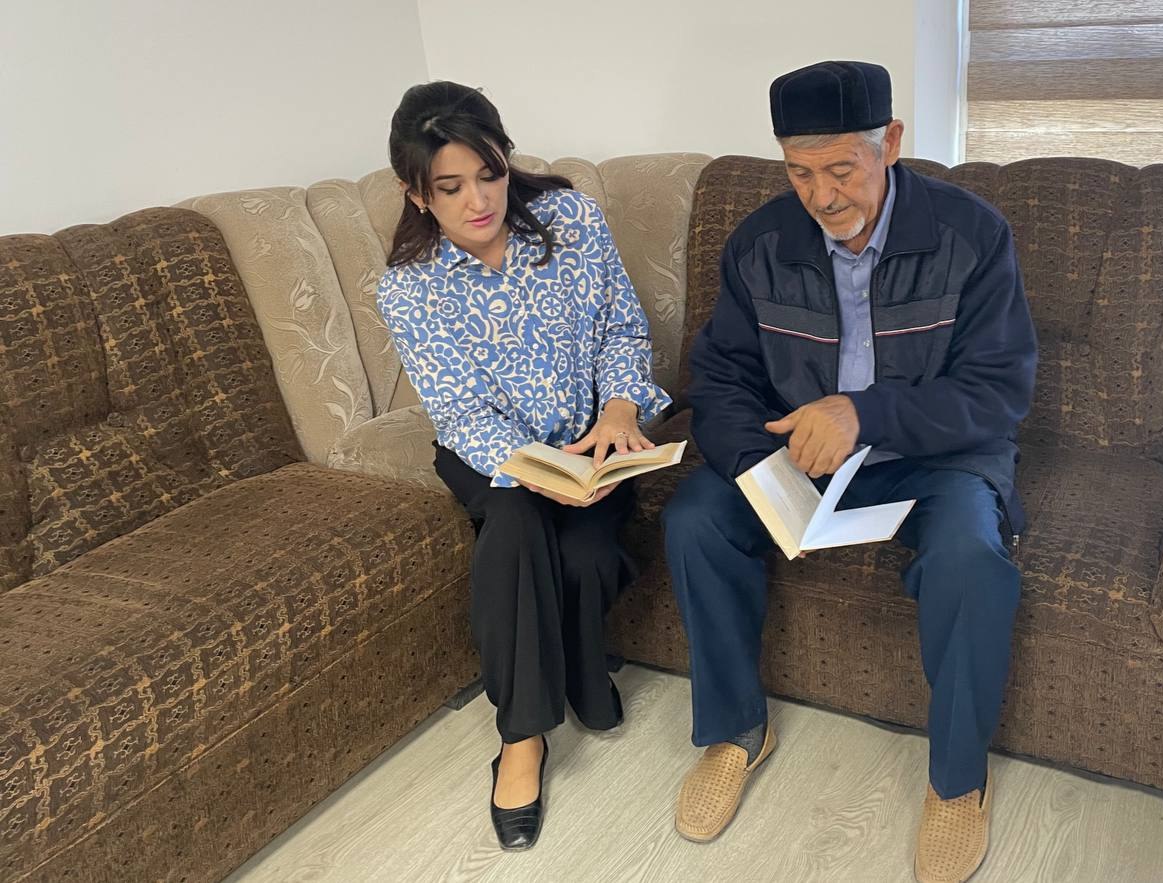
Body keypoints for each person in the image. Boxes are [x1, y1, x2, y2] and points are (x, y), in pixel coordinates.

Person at [662, 61, 1037, 883]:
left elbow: (998, 392)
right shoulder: (759, 243)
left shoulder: (972, 234)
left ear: (890, 143)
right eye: (800, 172)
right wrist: (761, 468)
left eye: (841, 168)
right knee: (694, 521)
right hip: (800, 457)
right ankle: (735, 731)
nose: (822, 196)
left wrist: (863, 413)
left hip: (935, 459)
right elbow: (719, 378)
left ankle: (957, 780)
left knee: (971, 558)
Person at [376, 81, 671, 851]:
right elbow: (461, 412)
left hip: (590, 441)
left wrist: (619, 410)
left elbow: (621, 327)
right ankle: (522, 737)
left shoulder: (572, 219)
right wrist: (535, 471)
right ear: (416, 192)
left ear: (507, 160)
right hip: (489, 453)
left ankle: (579, 671)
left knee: (586, 555)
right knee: (513, 523)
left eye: (490, 174)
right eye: (450, 187)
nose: (478, 200)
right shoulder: (409, 288)